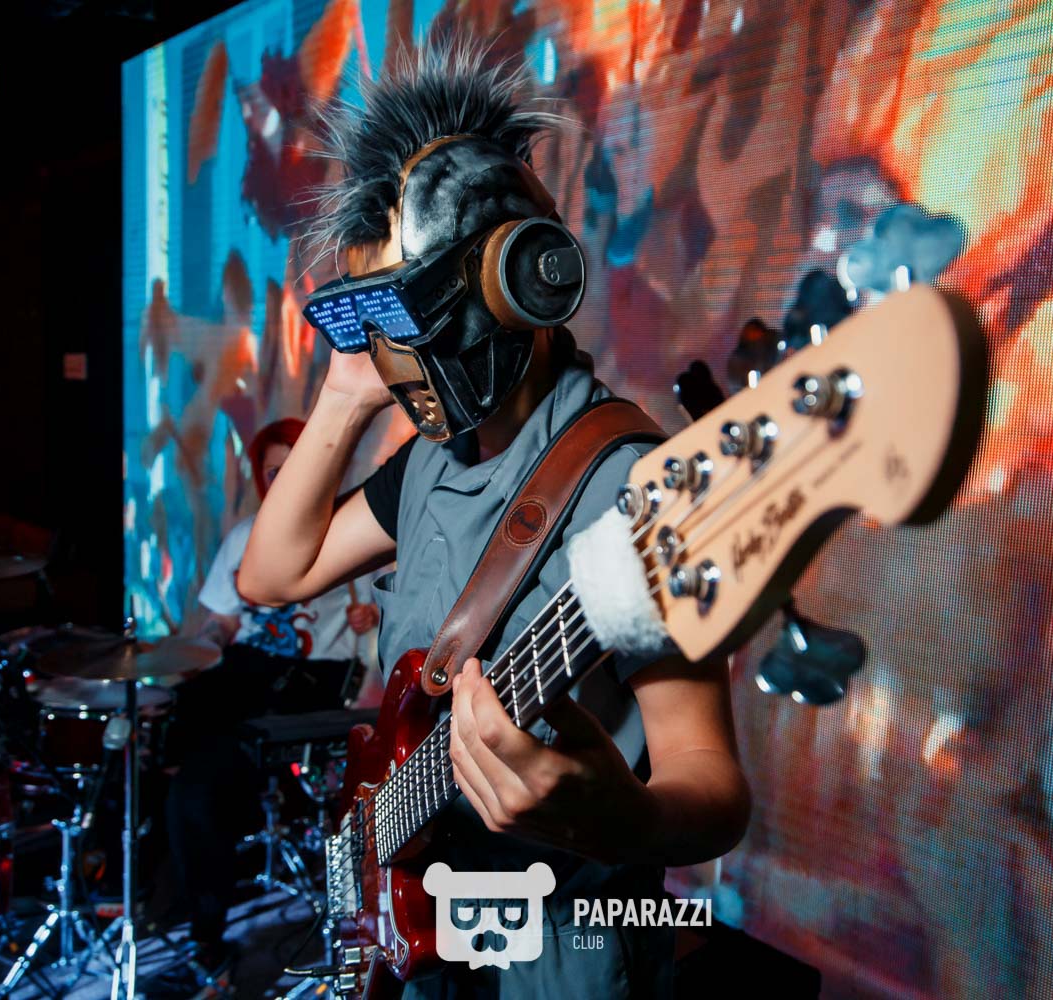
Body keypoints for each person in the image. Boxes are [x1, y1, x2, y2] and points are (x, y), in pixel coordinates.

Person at [240, 39, 750, 999]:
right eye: (374, 320)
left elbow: (713, 789)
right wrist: (345, 394)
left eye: (405, 315)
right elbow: (271, 576)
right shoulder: (434, 463)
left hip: (562, 953)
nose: (394, 353)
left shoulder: (633, 491)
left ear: (527, 279)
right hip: (431, 938)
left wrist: (622, 820)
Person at [145, 417, 382, 999]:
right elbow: (222, 625)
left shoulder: (353, 528)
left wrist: (375, 618)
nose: (286, 479)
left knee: (199, 785)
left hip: (307, 683)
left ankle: (207, 942)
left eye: (297, 464)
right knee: (148, 730)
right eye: (274, 470)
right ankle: (145, 890)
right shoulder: (246, 535)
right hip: (243, 670)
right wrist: (182, 658)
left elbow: (394, 636)